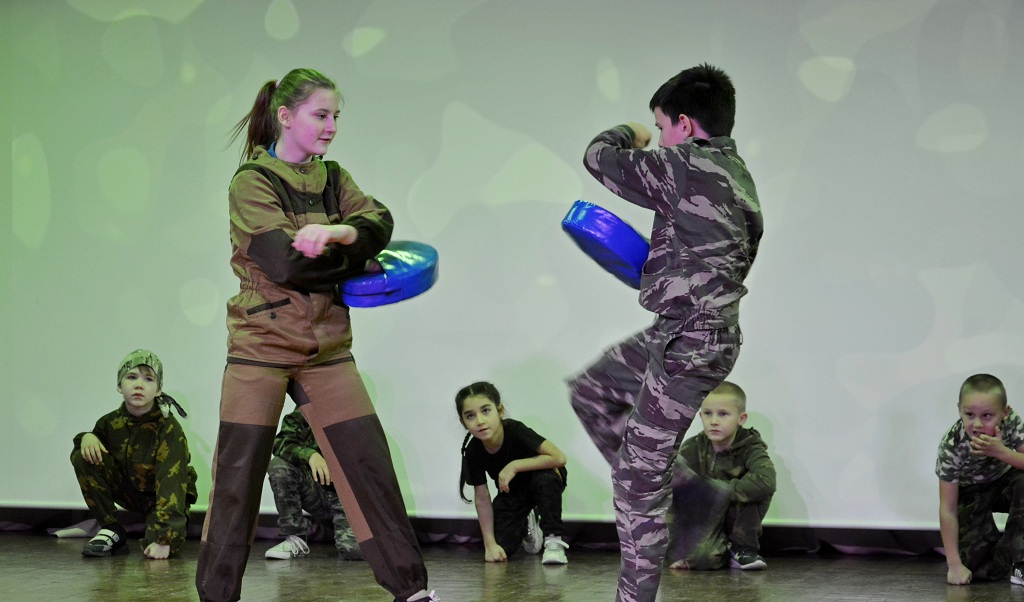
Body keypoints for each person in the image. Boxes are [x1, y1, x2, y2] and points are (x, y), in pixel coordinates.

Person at [194, 68, 435, 602]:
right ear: (286, 116)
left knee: (369, 467)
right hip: (260, 348)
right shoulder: (251, 182)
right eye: (320, 115)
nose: (331, 127)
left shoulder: (333, 177)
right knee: (237, 479)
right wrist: (359, 258)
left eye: (335, 117)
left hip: (327, 350)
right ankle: (216, 596)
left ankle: (412, 592)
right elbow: (286, 264)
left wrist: (343, 231)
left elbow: (379, 220)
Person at [568, 63, 762, 602]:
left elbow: (597, 157)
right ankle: (690, 492)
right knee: (593, 390)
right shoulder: (737, 176)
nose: (659, 138)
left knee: (637, 482)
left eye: (662, 127)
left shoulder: (685, 163)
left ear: (685, 125)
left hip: (689, 343)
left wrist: (630, 132)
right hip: (691, 333)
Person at [71, 349, 198, 559]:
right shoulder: (109, 423)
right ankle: (111, 528)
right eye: (131, 377)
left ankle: (162, 532)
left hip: (160, 500)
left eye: (148, 379)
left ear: (158, 390)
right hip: (130, 491)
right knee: (83, 455)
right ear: (119, 386)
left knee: (155, 547)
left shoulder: (168, 428)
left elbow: (172, 484)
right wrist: (86, 437)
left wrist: (165, 539)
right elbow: (94, 456)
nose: (139, 385)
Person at [665, 381, 775, 571]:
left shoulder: (751, 447)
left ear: (741, 418)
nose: (714, 421)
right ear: (700, 416)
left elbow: (766, 481)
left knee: (758, 488)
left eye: (723, 414)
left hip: (737, 520)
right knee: (703, 561)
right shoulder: (692, 448)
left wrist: (717, 490)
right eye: (708, 413)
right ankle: (718, 549)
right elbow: (674, 493)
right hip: (706, 520)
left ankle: (741, 548)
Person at [456, 382, 570, 564]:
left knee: (545, 480)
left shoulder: (515, 430)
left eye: (486, 411)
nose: (480, 421)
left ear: (500, 411)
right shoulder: (473, 451)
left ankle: (553, 541)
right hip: (513, 492)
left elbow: (558, 457)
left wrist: (514, 466)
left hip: (542, 479)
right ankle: (528, 521)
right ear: (463, 422)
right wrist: (490, 544)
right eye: (470, 416)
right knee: (503, 548)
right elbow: (482, 498)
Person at [937, 373, 1024, 586]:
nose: (977, 424)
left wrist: (1002, 452)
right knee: (978, 570)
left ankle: (1021, 560)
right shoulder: (951, 446)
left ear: (1004, 413)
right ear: (959, 410)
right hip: (971, 492)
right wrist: (954, 565)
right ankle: (1004, 550)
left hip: (1004, 481)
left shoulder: (1011, 422)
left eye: (987, 416)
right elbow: (947, 508)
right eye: (969, 414)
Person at [264, 408, 363, 560]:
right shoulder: (303, 413)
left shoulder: (354, 414)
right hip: (318, 491)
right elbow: (281, 443)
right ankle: (295, 538)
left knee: (354, 552)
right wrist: (310, 455)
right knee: (279, 466)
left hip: (349, 498)